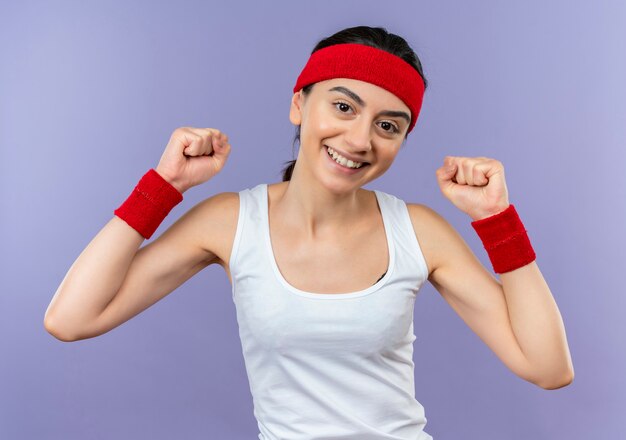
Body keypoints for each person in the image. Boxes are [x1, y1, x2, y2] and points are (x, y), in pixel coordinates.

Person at [44, 25, 574, 440]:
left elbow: (549, 368)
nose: (361, 138)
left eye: (388, 125)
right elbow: (71, 318)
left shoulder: (418, 230)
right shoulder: (231, 221)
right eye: (343, 106)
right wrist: (163, 186)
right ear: (300, 104)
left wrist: (496, 218)